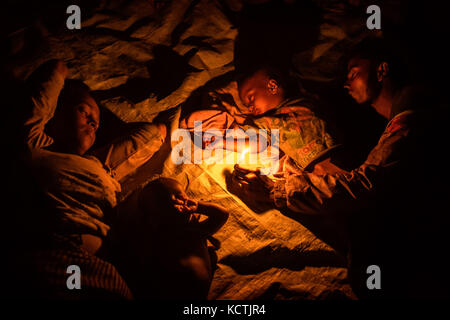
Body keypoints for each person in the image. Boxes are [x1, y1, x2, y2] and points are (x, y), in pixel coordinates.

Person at [229, 37, 450, 298]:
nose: (346, 83)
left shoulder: (417, 118)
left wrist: (276, 190)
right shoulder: (394, 123)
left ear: (382, 70)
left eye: (354, 72)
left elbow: (365, 186)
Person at [14, 59, 167, 298]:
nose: (93, 123)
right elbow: (54, 70)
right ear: (56, 113)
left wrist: (159, 130)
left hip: (102, 270)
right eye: (83, 111)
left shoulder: (100, 167)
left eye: (96, 124)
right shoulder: (33, 145)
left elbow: (152, 135)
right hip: (49, 256)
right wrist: (72, 81)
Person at [111, 177, 229, 299]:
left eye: (180, 196)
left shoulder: (195, 230)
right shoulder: (156, 237)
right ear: (151, 218)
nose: (175, 200)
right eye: (163, 202)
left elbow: (222, 214)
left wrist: (199, 206)